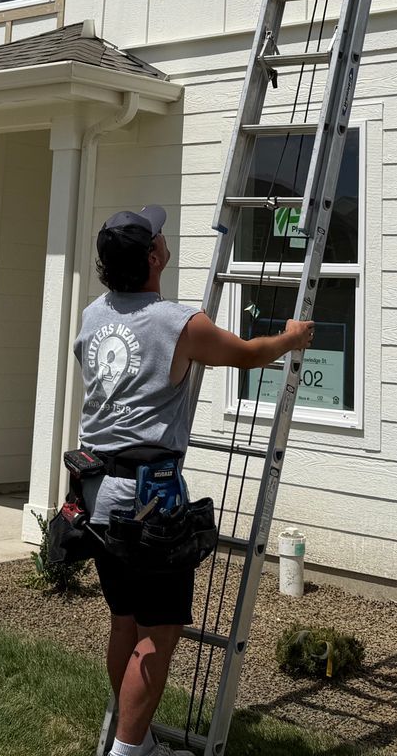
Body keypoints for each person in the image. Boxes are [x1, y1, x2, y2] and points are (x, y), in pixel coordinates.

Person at [76, 204, 315, 756]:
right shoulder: (177, 323)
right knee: (159, 633)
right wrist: (291, 337)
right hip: (147, 496)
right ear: (155, 256)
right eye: (159, 237)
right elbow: (250, 355)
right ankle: (130, 752)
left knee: (124, 622)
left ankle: (130, 738)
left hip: (95, 492)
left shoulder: (94, 314)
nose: (164, 239)